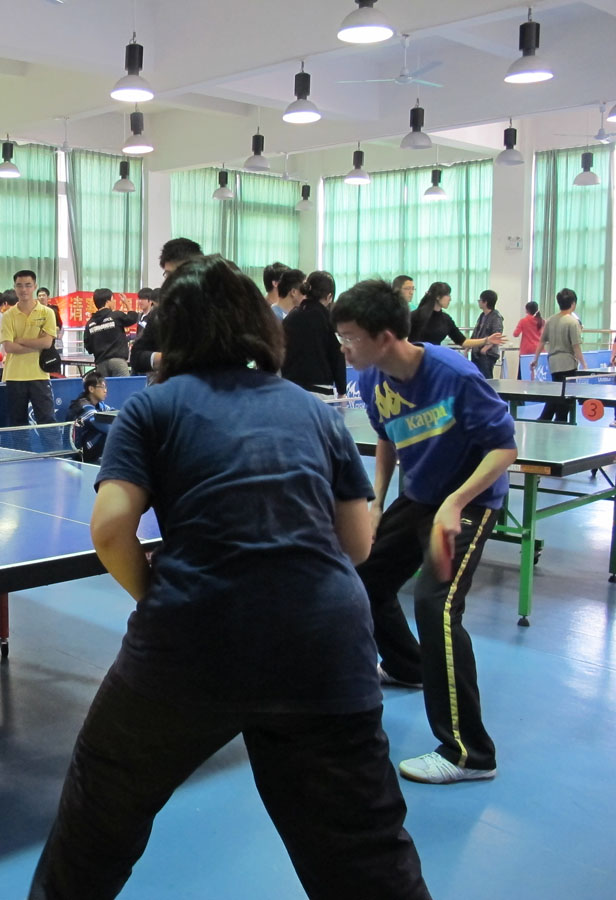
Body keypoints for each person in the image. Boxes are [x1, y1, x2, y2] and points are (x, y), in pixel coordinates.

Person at [30, 256, 429, 900]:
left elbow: (109, 529)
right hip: (325, 645)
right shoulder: (311, 410)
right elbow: (358, 545)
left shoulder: (151, 408)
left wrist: (156, 595)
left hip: (192, 641)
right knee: (368, 856)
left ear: (172, 333)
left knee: (97, 821)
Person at [332, 279, 516, 785]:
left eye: (350, 337)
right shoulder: (373, 378)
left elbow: (504, 448)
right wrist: (376, 501)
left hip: (470, 500)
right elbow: (388, 439)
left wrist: (455, 503)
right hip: (420, 497)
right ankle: (407, 666)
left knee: (437, 607)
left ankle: (469, 753)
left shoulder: (455, 374)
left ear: (385, 336)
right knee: (363, 576)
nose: (343, 348)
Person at [130, 238, 202, 377]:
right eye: (168, 274)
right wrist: (168, 360)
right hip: (170, 383)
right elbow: (137, 356)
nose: (173, 280)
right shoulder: (161, 314)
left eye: (180, 273)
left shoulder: (216, 310)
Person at [0, 270, 58, 425]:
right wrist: (37, 344)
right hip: (14, 376)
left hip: (39, 374)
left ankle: (52, 445)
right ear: (14, 287)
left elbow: (47, 343)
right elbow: (9, 347)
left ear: (35, 287)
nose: (23, 289)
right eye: (19, 285)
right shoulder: (8, 315)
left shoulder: (47, 313)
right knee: (17, 423)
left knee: (47, 420)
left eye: (28, 285)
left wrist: (21, 340)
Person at [281, 271, 345, 397]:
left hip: (291, 389)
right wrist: (342, 390)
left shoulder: (290, 317)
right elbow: (337, 356)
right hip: (320, 390)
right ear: (329, 296)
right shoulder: (328, 320)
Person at [531, 289, 585, 424]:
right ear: (573, 304)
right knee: (564, 398)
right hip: (567, 363)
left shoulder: (550, 320)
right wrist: (584, 364)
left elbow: (542, 341)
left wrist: (535, 359)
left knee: (557, 393)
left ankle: (545, 419)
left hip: (554, 363)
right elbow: (576, 346)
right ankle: (555, 420)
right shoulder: (573, 322)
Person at [409, 283, 503, 353]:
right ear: (438, 297)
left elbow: (463, 341)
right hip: (414, 360)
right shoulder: (415, 316)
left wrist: (486, 340)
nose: (450, 299)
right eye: (448, 295)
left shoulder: (446, 319)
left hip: (432, 360)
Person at [83, 288, 139, 377]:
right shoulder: (116, 316)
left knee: (104, 386)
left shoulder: (90, 324)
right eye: (113, 300)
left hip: (101, 364)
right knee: (123, 386)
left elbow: (88, 347)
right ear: (107, 301)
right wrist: (127, 304)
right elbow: (133, 318)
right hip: (118, 362)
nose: (114, 302)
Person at [67, 371, 113, 463]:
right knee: (108, 433)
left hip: (89, 447)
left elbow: (115, 413)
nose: (105, 390)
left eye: (106, 387)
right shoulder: (83, 406)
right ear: (91, 389)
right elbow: (103, 426)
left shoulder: (100, 405)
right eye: (102, 387)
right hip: (78, 453)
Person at [469, 290, 504, 379]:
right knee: (477, 377)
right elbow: (476, 332)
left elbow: (497, 335)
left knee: (486, 378)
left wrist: (486, 348)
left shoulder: (496, 317)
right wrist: (468, 346)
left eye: (480, 300)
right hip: (477, 352)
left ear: (485, 302)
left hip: (488, 354)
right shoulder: (482, 315)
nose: (479, 302)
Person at [512, 301, 544, 378]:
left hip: (526, 352)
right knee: (538, 376)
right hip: (539, 351)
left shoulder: (523, 321)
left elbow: (515, 334)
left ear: (527, 310)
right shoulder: (542, 321)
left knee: (523, 376)